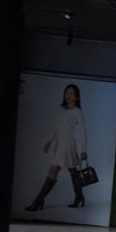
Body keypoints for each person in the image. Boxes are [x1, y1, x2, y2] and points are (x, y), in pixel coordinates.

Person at [25, 83, 88, 211]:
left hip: (68, 145)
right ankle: (79, 196)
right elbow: (58, 130)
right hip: (60, 144)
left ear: (76, 97)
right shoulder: (63, 111)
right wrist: (50, 141)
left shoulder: (77, 112)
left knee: (54, 170)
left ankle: (38, 201)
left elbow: (82, 131)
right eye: (67, 93)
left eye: (71, 93)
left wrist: (83, 150)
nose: (68, 95)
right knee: (73, 171)